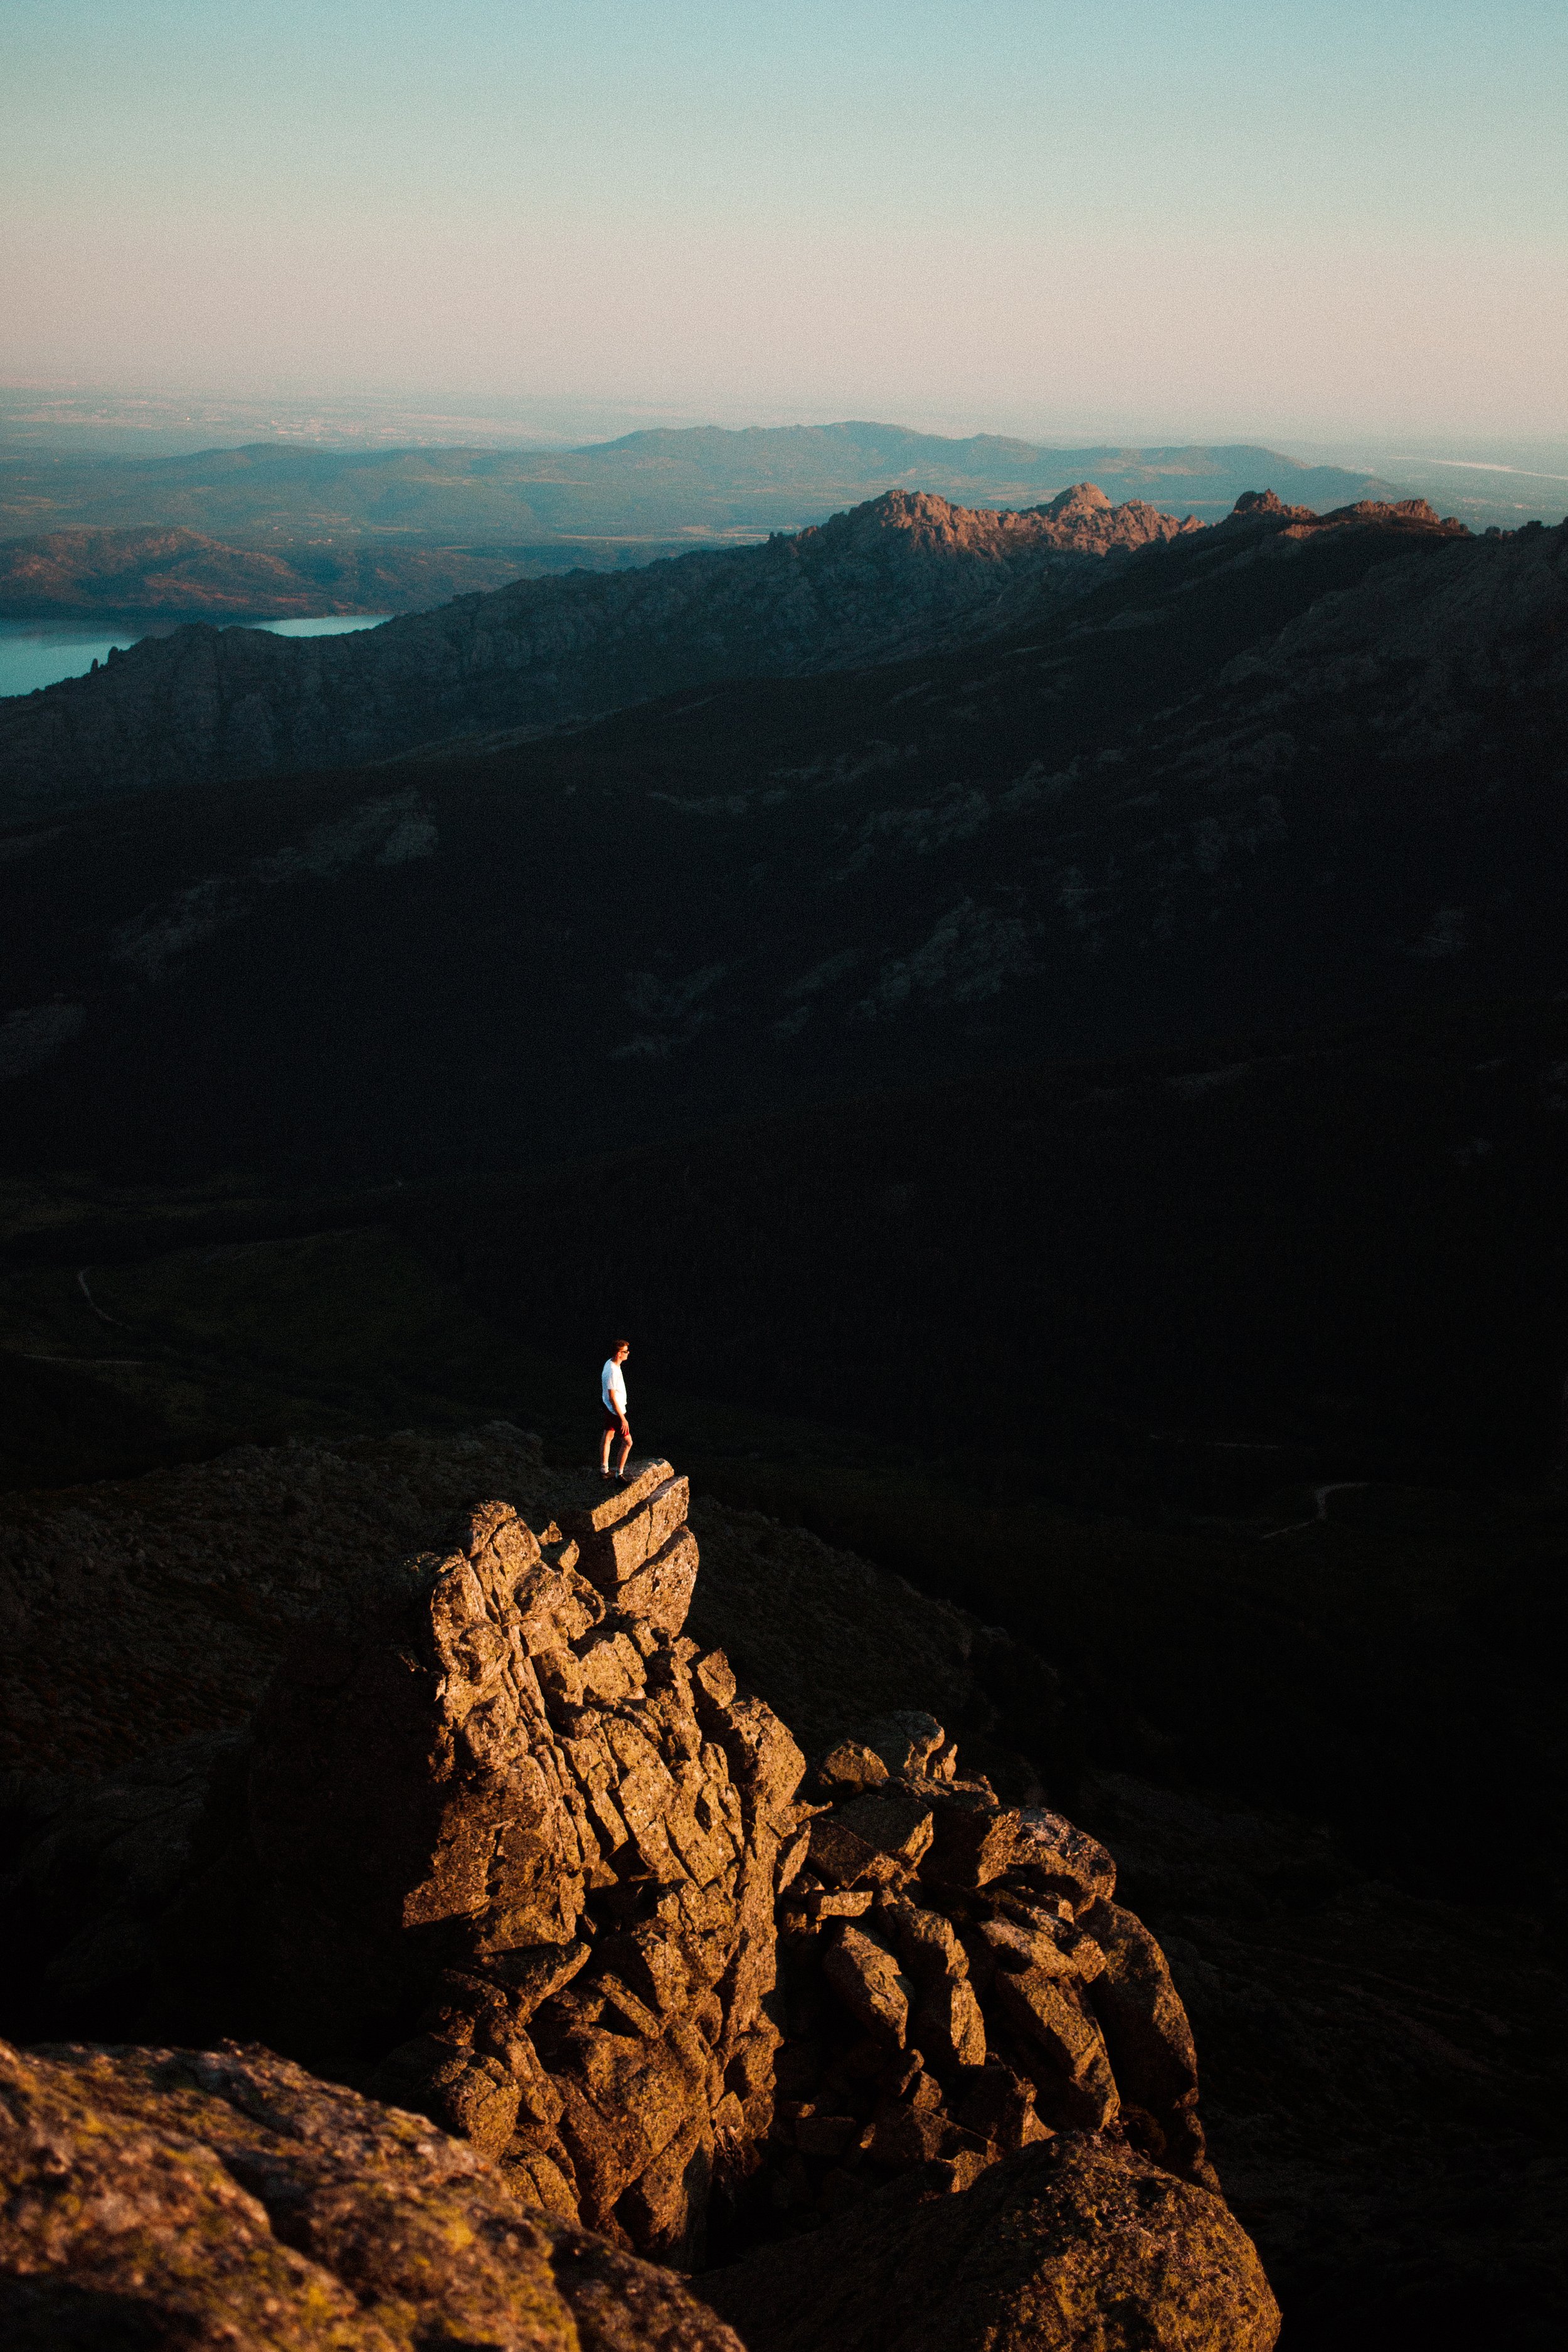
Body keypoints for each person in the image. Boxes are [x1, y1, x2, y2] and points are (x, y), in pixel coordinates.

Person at [600, 1340, 632, 1478]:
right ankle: (620, 1474)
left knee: (608, 1436)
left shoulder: (610, 1363)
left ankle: (604, 1469)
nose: (628, 1353)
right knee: (628, 1442)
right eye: (626, 1351)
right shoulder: (612, 1371)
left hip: (609, 1408)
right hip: (615, 1411)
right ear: (619, 1354)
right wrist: (623, 1419)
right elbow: (612, 1397)